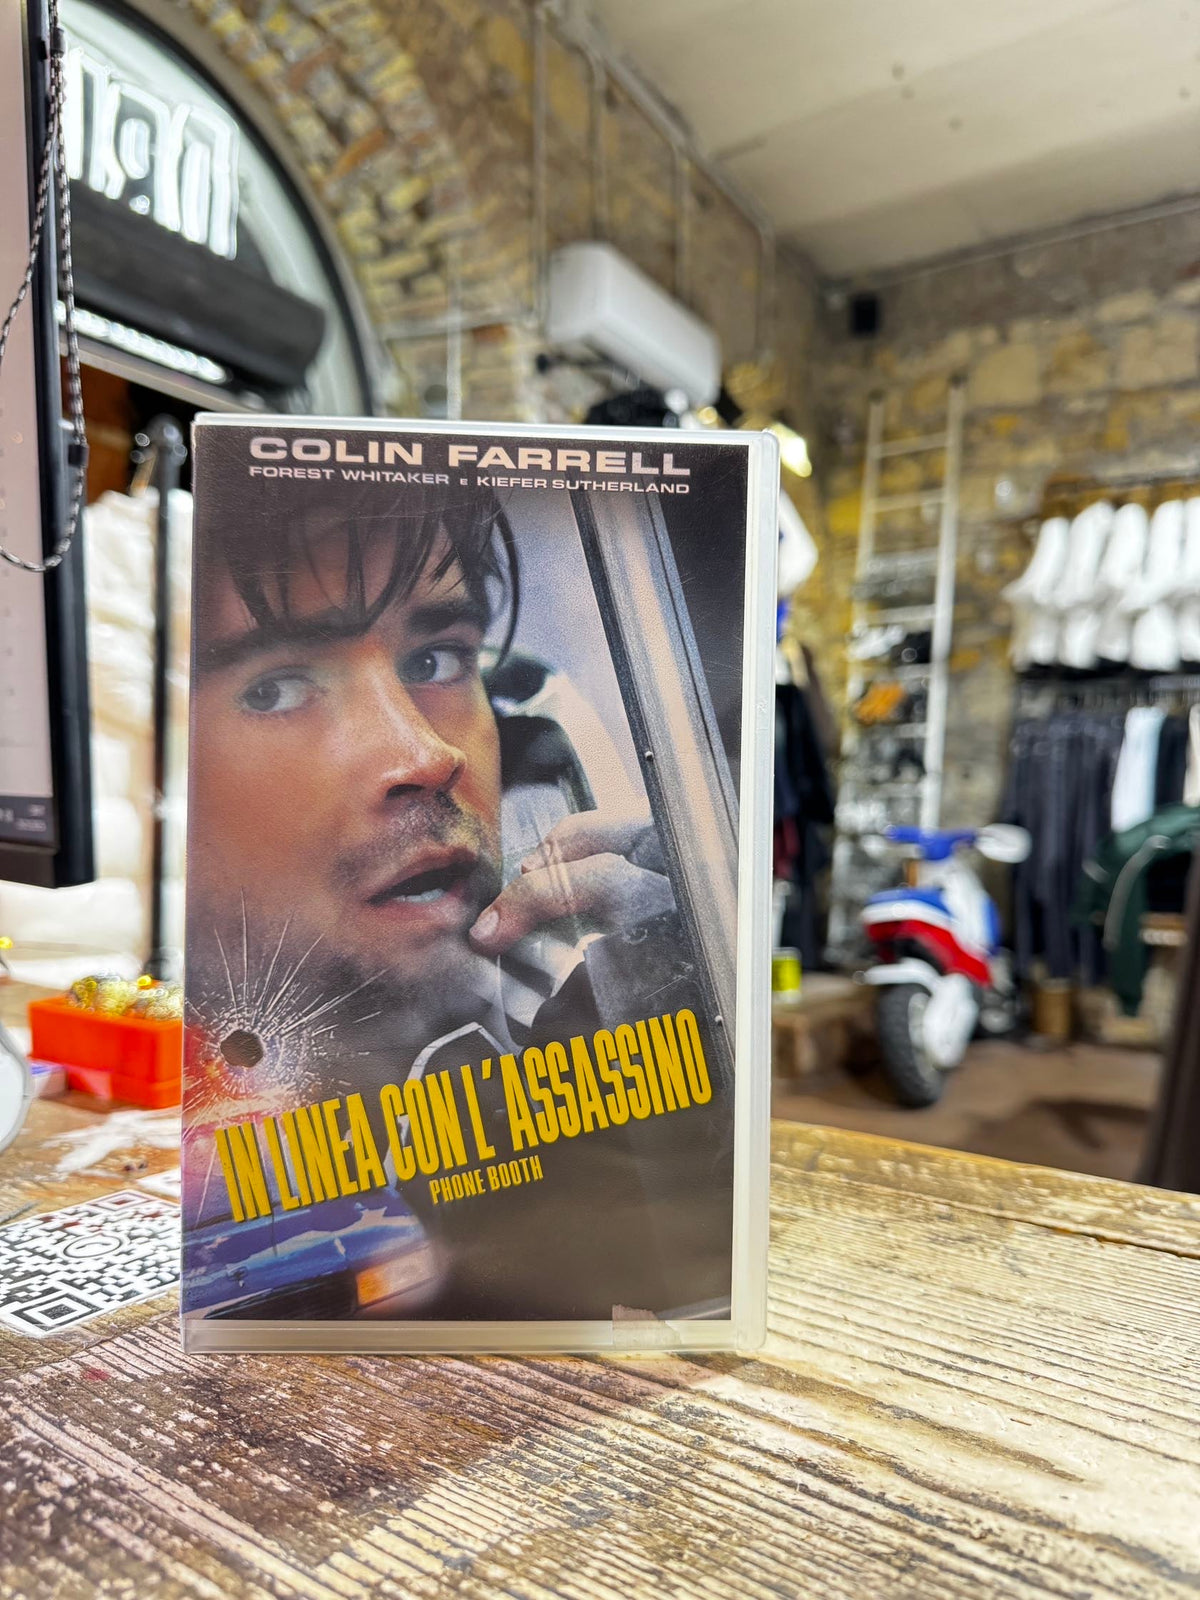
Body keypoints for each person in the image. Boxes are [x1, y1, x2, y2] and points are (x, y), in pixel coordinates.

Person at [185, 477, 732, 1320]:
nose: (429, 754)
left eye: (435, 661)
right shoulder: (181, 1165)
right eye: (276, 688)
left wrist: (689, 1101)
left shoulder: (572, 1037)